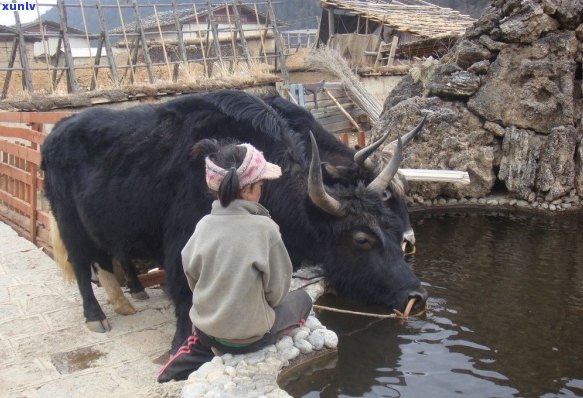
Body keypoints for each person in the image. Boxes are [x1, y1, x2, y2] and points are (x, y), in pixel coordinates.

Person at [157, 140, 312, 383]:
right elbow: (277, 293)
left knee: (207, 331)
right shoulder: (266, 229)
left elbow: (192, 276)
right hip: (253, 338)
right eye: (261, 184)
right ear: (249, 190)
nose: (262, 190)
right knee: (302, 300)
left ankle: (189, 357)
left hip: (208, 332)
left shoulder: (203, 226)